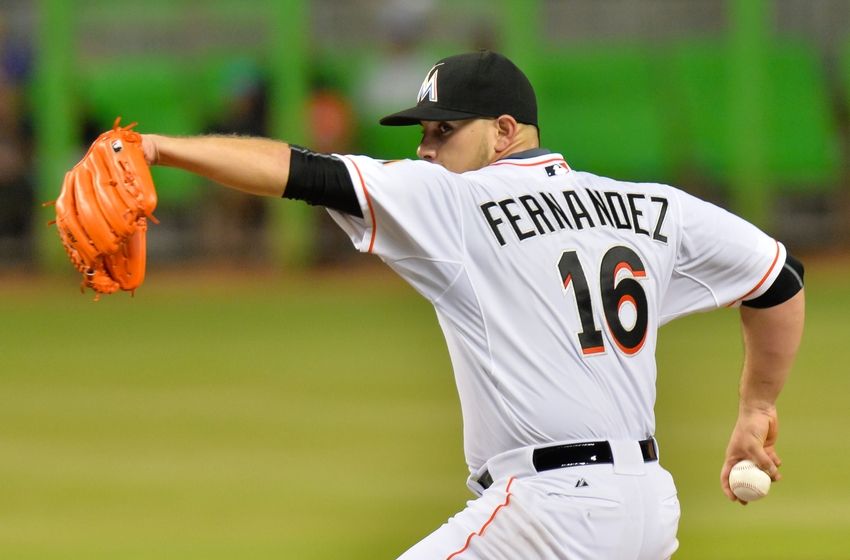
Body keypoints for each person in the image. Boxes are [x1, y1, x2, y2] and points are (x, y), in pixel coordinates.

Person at [139, 50, 805, 559]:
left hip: (547, 514)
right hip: (648, 511)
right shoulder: (653, 207)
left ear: (506, 130)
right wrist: (757, 407)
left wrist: (157, 149)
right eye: (424, 133)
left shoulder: (458, 200)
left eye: (442, 131)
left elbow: (305, 171)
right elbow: (779, 278)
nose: (425, 149)